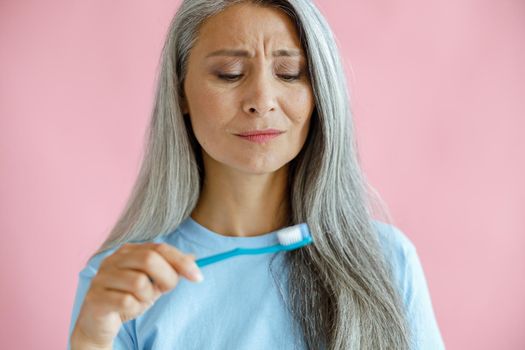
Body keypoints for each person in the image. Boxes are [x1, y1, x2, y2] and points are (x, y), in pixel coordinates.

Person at [67, 0, 446, 349]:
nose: (261, 100)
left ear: (319, 94)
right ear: (180, 90)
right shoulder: (122, 284)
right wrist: (88, 339)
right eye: (230, 74)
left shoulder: (387, 260)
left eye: (289, 72)